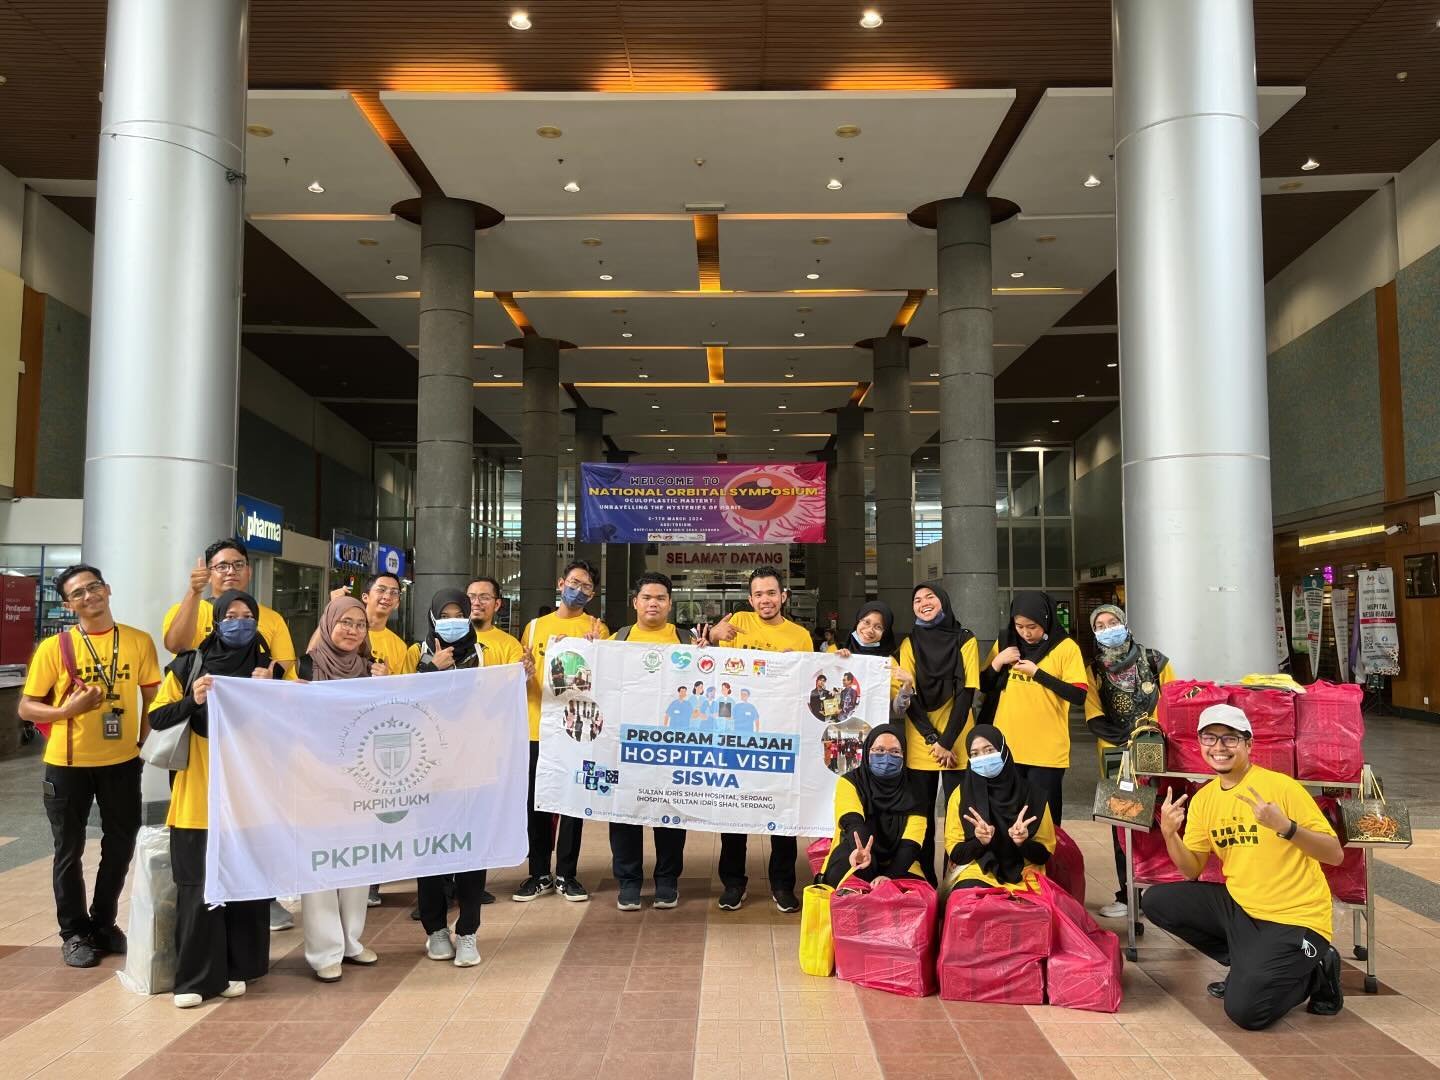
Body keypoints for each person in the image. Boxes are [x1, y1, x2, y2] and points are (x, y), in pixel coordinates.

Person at [1141, 703, 1345, 1030]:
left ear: (1249, 744)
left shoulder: (1281, 788)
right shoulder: (1205, 799)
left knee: (1247, 1013)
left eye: (1230, 738)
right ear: (1200, 744)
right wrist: (1169, 834)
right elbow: (1191, 870)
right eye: (1210, 738)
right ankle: (1247, 962)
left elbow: (1334, 854)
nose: (1219, 747)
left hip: (1296, 918)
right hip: (1242, 907)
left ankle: (1316, 971)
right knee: (1156, 900)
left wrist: (1286, 827)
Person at [19, 564, 162, 968]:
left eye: (93, 587)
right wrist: (67, 710)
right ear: (69, 605)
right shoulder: (55, 647)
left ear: (107, 589)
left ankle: (103, 923)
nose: (88, 596)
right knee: (69, 850)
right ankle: (74, 933)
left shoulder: (137, 641)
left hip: (122, 762)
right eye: (78, 593)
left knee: (121, 844)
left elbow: (152, 696)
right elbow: (27, 707)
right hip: (67, 765)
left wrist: (142, 743)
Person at [162, 539, 301, 931]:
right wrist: (193, 594)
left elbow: (284, 670)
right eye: (221, 565)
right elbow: (175, 645)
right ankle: (202, 905)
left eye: (238, 564)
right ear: (208, 571)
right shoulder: (189, 608)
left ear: (249, 570)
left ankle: (260, 900)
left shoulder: (270, 619)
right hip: (199, 745)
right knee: (200, 825)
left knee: (250, 820)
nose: (230, 572)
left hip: (252, 747)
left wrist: (269, 682)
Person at [147, 591, 276, 1006]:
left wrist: (269, 692)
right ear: (217, 622)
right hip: (197, 803)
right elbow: (156, 717)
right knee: (199, 891)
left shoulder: (268, 668)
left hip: (249, 803)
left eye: (247, 615)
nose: (240, 622)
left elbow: (288, 727)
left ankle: (236, 968)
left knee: (245, 889)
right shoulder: (189, 666)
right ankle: (195, 979)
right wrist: (194, 699)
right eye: (231, 615)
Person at [707, 567, 812, 913]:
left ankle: (783, 885)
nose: (765, 600)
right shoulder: (737, 623)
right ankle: (733, 884)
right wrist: (713, 638)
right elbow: (709, 667)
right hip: (736, 738)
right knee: (733, 813)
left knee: (782, 812)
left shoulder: (800, 636)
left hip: (780, 738)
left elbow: (809, 687)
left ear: (784, 596)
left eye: (771, 593)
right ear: (750, 599)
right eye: (759, 594)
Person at [409, 587, 494, 967]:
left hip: (473, 768)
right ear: (432, 617)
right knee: (431, 852)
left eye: (459, 614)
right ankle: (436, 929)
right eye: (445, 615)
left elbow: (498, 703)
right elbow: (401, 702)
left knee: (472, 851)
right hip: (428, 771)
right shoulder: (416, 652)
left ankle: (469, 930)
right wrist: (431, 670)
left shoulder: (484, 653)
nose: (453, 621)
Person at [296, 596, 379, 981]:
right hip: (315, 778)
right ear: (328, 623)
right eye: (345, 622)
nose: (352, 630)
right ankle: (324, 951)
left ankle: (351, 941)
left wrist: (384, 686)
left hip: (360, 778)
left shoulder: (369, 669)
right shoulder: (306, 666)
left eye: (360, 625)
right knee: (321, 862)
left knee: (357, 859)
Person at [515, 560, 608, 902]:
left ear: (593, 595)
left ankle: (567, 873)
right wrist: (523, 671)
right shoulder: (534, 627)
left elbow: (605, 680)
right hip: (537, 727)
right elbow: (525, 670)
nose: (578, 590)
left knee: (572, 802)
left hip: (575, 728)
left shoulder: (597, 628)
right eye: (574, 582)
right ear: (560, 583)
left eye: (586, 587)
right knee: (535, 803)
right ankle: (538, 872)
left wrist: (598, 652)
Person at [1083, 603, 1178, 920]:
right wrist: (1124, 739)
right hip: (1115, 754)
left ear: (1124, 624)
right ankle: (1128, 893)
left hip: (1155, 749)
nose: (1107, 629)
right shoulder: (1094, 670)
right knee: (1123, 823)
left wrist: (1148, 734)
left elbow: (1171, 701)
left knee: (1161, 818)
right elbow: (1093, 713)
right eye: (1100, 626)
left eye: (1112, 622)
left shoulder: (1154, 660)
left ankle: (1166, 889)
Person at [606, 571, 688, 911]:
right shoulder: (617, 640)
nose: (653, 603)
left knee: (670, 810)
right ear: (635, 602)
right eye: (647, 597)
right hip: (627, 743)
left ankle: (667, 880)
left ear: (669, 604)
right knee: (625, 810)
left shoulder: (686, 640)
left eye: (660, 598)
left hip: (672, 744)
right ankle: (628, 881)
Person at [894, 585, 979, 884]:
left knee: (959, 815)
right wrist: (933, 739)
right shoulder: (909, 643)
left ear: (943, 601)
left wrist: (946, 741)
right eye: (917, 600)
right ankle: (925, 880)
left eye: (930, 597)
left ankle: (955, 880)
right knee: (921, 816)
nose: (923, 603)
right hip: (922, 742)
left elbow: (966, 694)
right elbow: (909, 696)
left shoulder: (965, 639)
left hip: (957, 742)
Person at [979, 591, 1086, 825]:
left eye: (1032, 627)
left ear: (1046, 620)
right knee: (1007, 816)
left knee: (1044, 820)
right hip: (1007, 747)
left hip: (1046, 751)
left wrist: (1037, 673)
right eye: (1019, 626)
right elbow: (984, 685)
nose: (1026, 633)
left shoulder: (1065, 647)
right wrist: (998, 661)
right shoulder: (1006, 642)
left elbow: (1078, 695)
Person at [945, 725, 1055, 889]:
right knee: (971, 898)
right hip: (978, 870)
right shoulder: (961, 795)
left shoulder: (1033, 795)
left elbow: (1044, 856)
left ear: (1003, 750)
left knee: (1030, 905)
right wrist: (979, 842)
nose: (983, 758)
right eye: (975, 754)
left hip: (1026, 873)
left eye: (989, 750)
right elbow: (956, 855)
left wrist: (1023, 843)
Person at [363, 571, 414, 908]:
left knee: (377, 814)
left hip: (379, 740)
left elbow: (404, 696)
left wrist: (388, 680)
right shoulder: (339, 628)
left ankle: (372, 882)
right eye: (381, 590)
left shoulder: (398, 646)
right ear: (365, 595)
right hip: (343, 739)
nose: (387, 597)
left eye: (394, 592)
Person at [819, 724, 926, 887]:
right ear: (867, 751)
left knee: (912, 893)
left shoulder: (916, 789)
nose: (886, 757)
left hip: (899, 859)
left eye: (895, 752)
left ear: (904, 755)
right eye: (879, 750)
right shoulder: (850, 782)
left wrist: (890, 876)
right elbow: (853, 822)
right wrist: (862, 852)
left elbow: (912, 841)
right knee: (846, 879)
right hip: (855, 849)